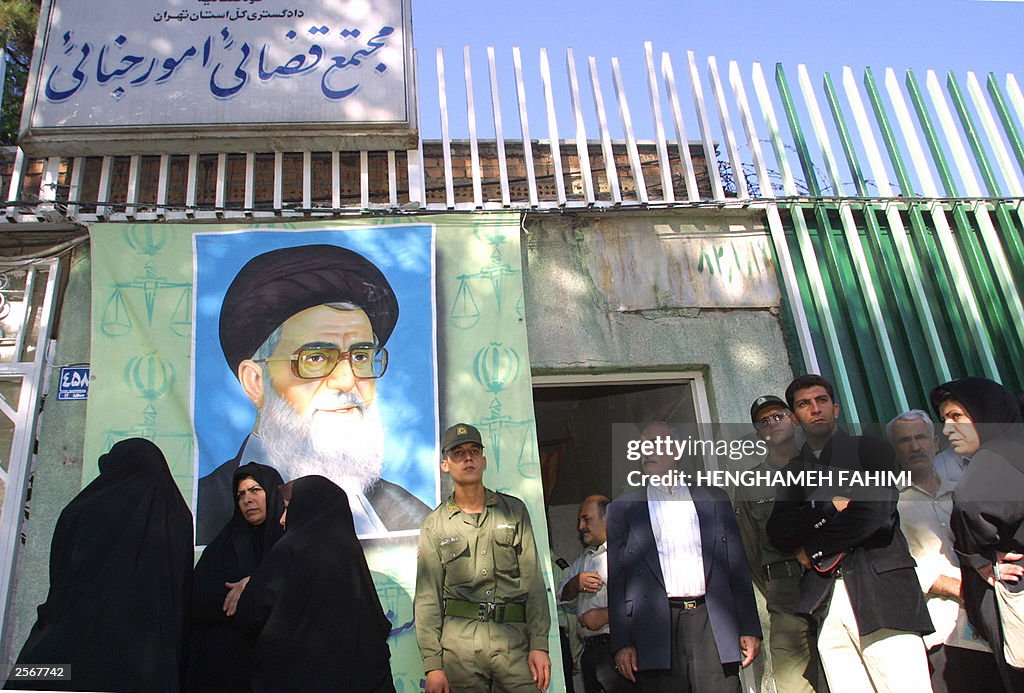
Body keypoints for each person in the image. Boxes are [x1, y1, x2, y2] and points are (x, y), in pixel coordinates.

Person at [195, 244, 430, 543]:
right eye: (316, 358)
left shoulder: (405, 514)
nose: (346, 381)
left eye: (360, 357)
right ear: (255, 382)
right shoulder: (204, 511)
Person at [766, 374, 933, 692]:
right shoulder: (793, 472)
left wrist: (814, 548)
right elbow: (779, 532)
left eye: (822, 401)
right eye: (804, 404)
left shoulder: (871, 450)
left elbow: (874, 515)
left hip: (882, 592)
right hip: (828, 601)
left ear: (836, 408)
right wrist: (826, 509)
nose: (815, 409)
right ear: (794, 417)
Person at [7, 438, 193, 692]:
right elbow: (180, 592)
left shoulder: (83, 508)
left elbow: (60, 577)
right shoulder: (178, 516)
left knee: (31, 678)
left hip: (69, 644)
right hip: (147, 660)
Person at [607, 422, 762, 692]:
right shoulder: (623, 508)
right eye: (642, 446)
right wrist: (622, 642)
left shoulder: (713, 498)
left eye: (655, 444)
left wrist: (749, 626)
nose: (647, 452)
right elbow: (618, 580)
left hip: (711, 621)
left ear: (677, 450)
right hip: (655, 626)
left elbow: (736, 567)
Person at [415, 423, 552, 693]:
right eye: (458, 453)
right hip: (460, 650)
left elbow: (533, 581)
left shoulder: (514, 511)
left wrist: (539, 644)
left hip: (513, 643)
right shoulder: (435, 525)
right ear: (445, 464)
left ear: (484, 460)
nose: (468, 458)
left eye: (474, 451)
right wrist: (433, 665)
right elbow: (427, 599)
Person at [235, 475, 395, 692]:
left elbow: (251, 613)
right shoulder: (351, 553)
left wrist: (251, 587)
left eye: (287, 508)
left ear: (306, 507)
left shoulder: (288, 550)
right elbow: (375, 625)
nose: (282, 519)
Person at [887, 409, 1003, 692]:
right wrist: (961, 588)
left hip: (994, 617)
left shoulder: (964, 492)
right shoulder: (888, 505)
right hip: (943, 629)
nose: (915, 446)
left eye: (921, 437)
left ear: (936, 442)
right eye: (904, 441)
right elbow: (898, 565)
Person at [930, 377, 1024, 691]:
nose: (947, 429)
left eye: (957, 416)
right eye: (944, 420)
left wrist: (977, 557)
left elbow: (969, 501)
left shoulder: (998, 453)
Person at [735, 395, 827, 692]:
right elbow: (749, 549)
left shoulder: (823, 467)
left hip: (829, 579)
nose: (772, 423)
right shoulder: (750, 484)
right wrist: (776, 584)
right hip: (785, 593)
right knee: (793, 682)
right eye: (764, 421)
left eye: (779, 416)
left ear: (793, 420)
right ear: (758, 433)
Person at [186, 462, 286, 692]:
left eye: (255, 490)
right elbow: (200, 599)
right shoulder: (224, 547)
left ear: (271, 492)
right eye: (240, 494)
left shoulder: (290, 545)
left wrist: (256, 583)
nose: (247, 500)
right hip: (228, 671)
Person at [559, 495, 637, 693]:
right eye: (579, 521)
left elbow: (643, 600)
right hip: (590, 652)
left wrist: (604, 616)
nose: (581, 526)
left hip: (617, 647)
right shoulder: (583, 560)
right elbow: (560, 598)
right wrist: (575, 584)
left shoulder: (627, 553)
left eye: (587, 519)